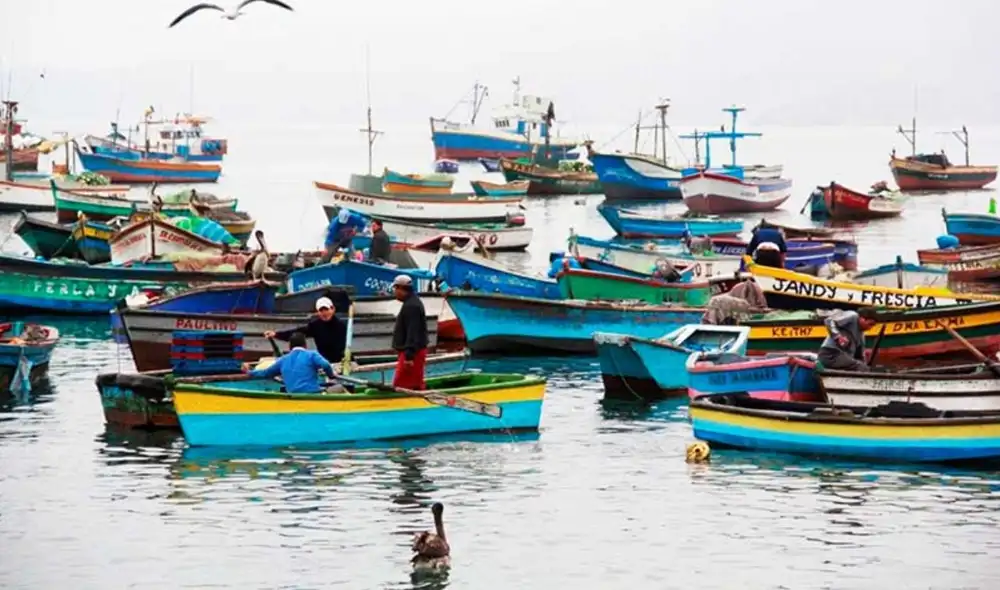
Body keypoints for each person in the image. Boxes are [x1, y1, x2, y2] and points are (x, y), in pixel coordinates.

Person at [263, 296, 348, 364]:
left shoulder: (341, 326)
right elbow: (297, 332)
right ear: (318, 312)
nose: (324, 313)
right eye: (321, 311)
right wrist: (276, 334)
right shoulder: (315, 326)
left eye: (326, 310)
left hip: (339, 362)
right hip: (324, 362)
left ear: (333, 309)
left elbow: (341, 348)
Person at [246, 332, 335, 393]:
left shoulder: (283, 359)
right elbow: (326, 364)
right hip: (312, 394)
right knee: (339, 388)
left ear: (289, 347)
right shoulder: (312, 354)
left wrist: (249, 372)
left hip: (293, 395)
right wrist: (331, 375)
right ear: (305, 345)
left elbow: (265, 373)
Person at [391, 274, 429, 390]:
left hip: (412, 353)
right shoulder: (412, 303)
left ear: (401, 288)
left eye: (395, 288)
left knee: (401, 384)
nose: (394, 292)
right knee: (413, 381)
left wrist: (409, 356)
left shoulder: (412, 306)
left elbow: (413, 332)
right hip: (412, 351)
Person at [818, 307, 879, 372]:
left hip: (842, 357)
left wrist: (866, 365)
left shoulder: (861, 337)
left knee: (863, 367)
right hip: (830, 354)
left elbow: (860, 357)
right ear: (862, 318)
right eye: (870, 324)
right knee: (860, 367)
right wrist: (838, 337)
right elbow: (829, 321)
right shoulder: (853, 316)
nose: (870, 328)